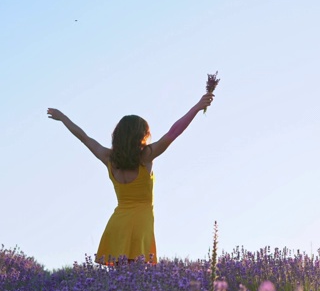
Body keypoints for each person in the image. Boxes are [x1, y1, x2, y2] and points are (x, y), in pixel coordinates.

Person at [47, 92, 214, 265]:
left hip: (118, 223)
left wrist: (63, 118)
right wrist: (196, 107)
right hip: (141, 222)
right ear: (141, 135)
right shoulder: (146, 157)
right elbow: (173, 132)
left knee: (121, 283)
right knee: (138, 279)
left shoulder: (108, 158)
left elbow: (84, 138)